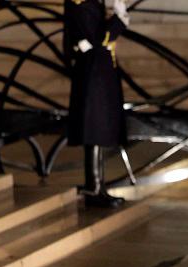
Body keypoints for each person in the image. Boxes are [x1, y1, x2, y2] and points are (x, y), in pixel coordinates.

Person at [63, 0, 130, 208]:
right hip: (94, 74)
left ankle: (98, 186)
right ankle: (94, 187)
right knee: (94, 130)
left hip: (99, 71)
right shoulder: (80, 2)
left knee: (99, 132)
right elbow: (98, 39)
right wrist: (119, 19)